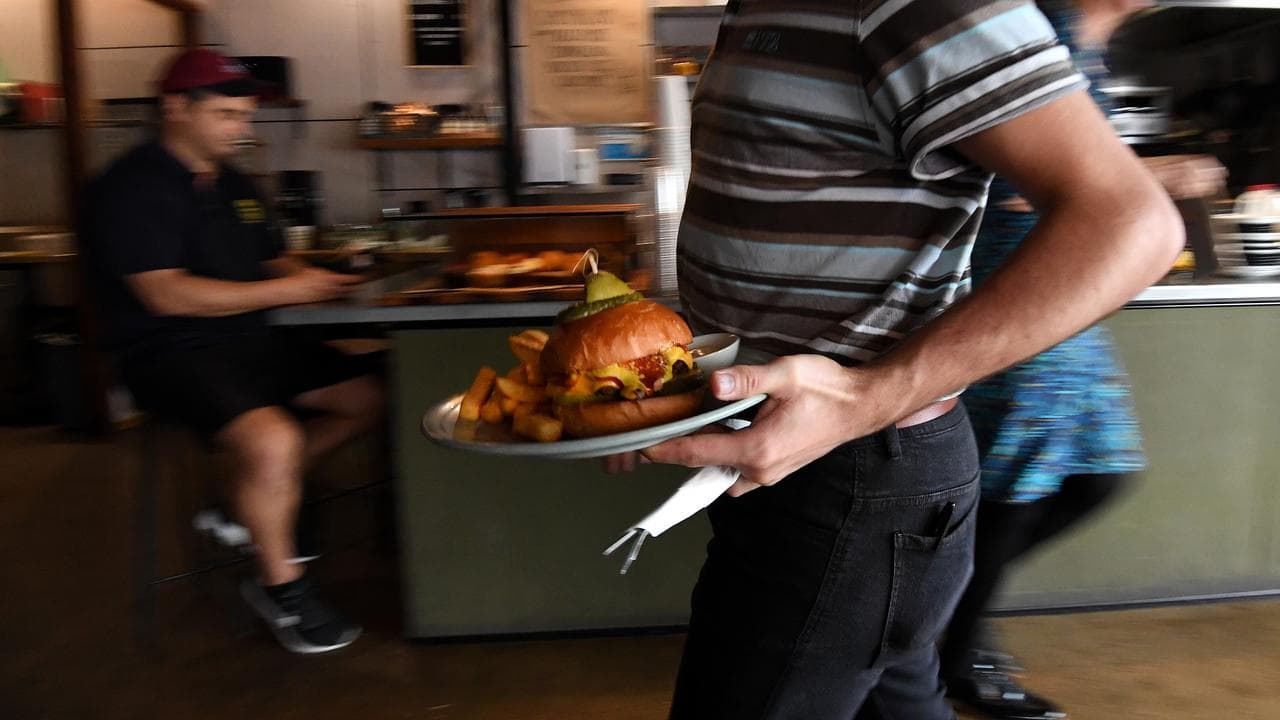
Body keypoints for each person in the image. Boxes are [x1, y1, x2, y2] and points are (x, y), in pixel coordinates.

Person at [635, 0, 1185, 717]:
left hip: (852, 475)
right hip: (790, 460)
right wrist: (655, 391)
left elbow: (1130, 222)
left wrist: (868, 398)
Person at [938, 3, 1227, 718]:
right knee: (1018, 481)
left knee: (1101, 474)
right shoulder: (1046, 37)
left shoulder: (1084, 51)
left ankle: (945, 611)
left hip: (1072, 304)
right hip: (1026, 294)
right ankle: (952, 652)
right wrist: (1158, 174)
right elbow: (1011, 185)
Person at [86, 49, 383, 654]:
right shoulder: (129, 189)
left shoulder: (237, 185)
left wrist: (324, 279)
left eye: (245, 116)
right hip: (168, 352)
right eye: (226, 115)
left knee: (370, 397)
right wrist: (287, 289)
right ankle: (282, 590)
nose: (241, 129)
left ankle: (238, 504)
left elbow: (272, 262)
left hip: (251, 340)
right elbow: (165, 294)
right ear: (175, 108)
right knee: (273, 440)